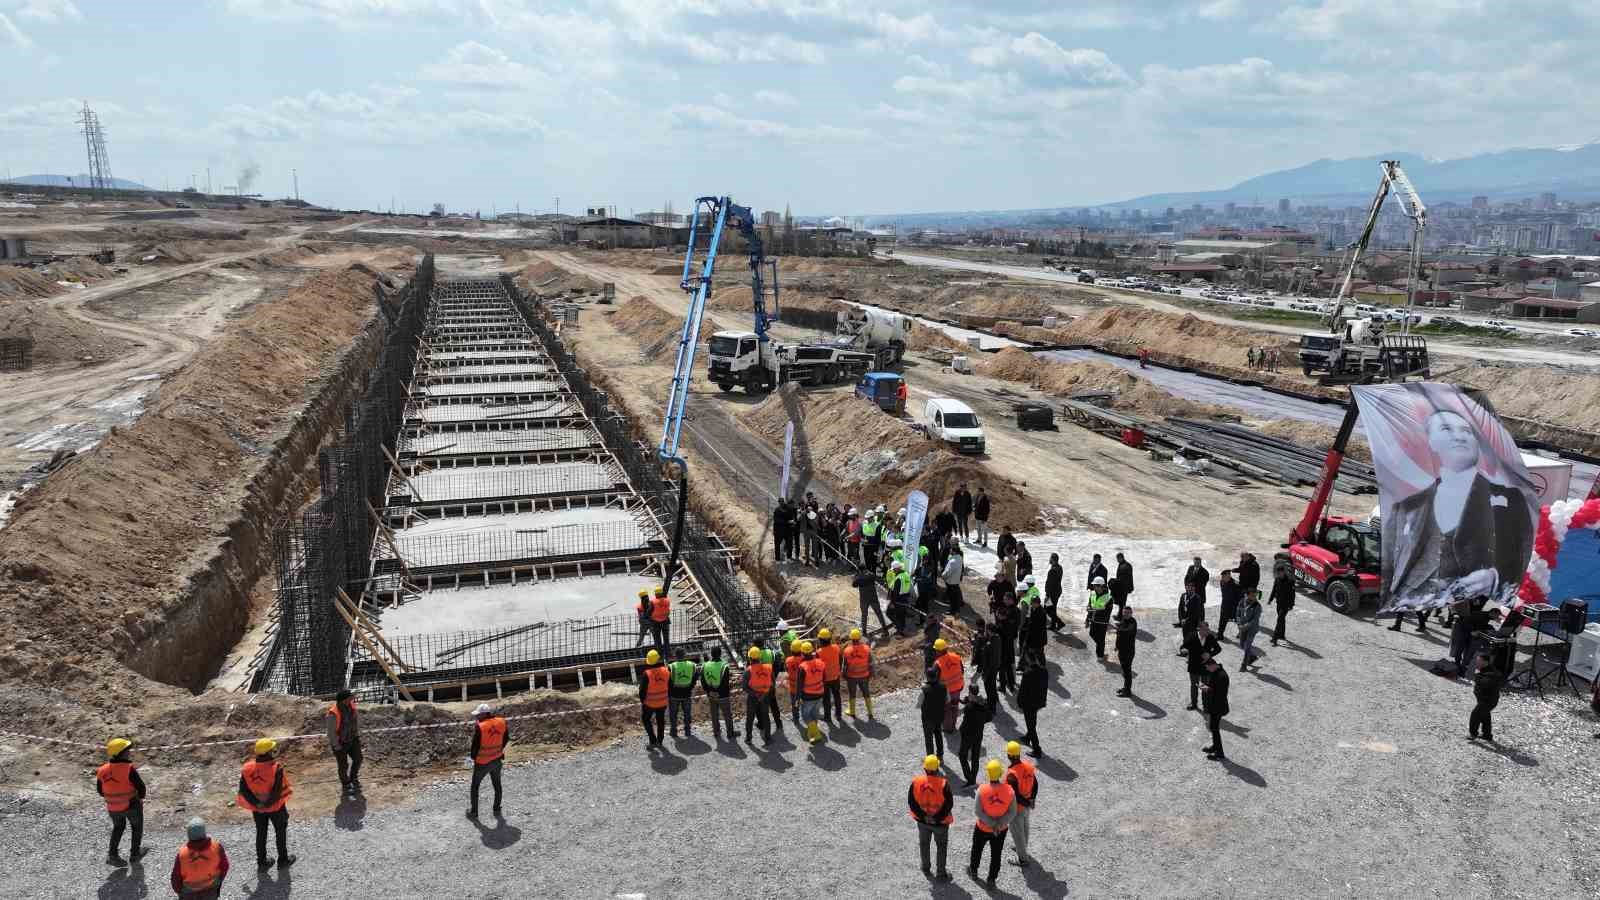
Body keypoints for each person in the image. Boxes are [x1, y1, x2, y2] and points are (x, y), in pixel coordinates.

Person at [236, 738, 295, 868]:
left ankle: (262, 862)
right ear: (269, 752)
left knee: (261, 833)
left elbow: (243, 790)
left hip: (257, 809)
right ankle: (283, 860)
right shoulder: (276, 768)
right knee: (280, 832)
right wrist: (267, 804)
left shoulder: (247, 768)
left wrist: (257, 804)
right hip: (276, 808)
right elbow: (277, 791)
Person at [97, 738, 147, 867]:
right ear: (121, 753)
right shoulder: (128, 769)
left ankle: (112, 856)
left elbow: (100, 791)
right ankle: (135, 854)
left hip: (113, 807)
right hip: (131, 805)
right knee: (136, 827)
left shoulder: (102, 770)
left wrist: (114, 796)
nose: (129, 752)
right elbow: (141, 787)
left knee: (118, 827)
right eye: (127, 750)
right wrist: (140, 799)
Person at [969, 759, 1017, 889]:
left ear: (989, 774)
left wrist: (991, 824)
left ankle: (973, 871)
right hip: (1000, 830)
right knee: (996, 854)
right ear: (1000, 773)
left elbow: (978, 811)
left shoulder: (981, 790)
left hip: (983, 828)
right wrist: (999, 825)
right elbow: (1012, 812)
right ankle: (991, 879)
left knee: (977, 849)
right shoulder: (1009, 790)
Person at [909, 755, 955, 881]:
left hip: (922, 822)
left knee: (924, 844)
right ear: (936, 769)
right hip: (940, 823)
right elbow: (949, 804)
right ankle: (941, 874)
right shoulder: (943, 784)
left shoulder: (916, 782)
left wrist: (924, 817)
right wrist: (936, 818)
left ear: (925, 769)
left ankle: (925, 867)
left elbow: (912, 803)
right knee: (941, 846)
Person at [466, 704, 509, 818]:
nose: (477, 717)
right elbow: (506, 738)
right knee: (497, 784)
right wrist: (499, 749)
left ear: (485, 714)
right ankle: (497, 807)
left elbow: (475, 746)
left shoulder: (481, 726)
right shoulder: (501, 722)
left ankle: (474, 812)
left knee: (475, 786)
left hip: (482, 762)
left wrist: (474, 758)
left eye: (478, 715)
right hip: (497, 759)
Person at [171, 817, 229, 900]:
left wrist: (179, 891)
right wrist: (218, 881)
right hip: (211, 887)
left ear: (189, 834)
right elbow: (225, 866)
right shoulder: (216, 847)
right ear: (204, 832)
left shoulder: (182, 854)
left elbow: (175, 877)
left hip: (189, 891)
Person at [1004, 741, 1038, 868]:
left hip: (1017, 808)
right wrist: (1031, 800)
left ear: (1009, 755)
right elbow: (1035, 784)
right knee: (1024, 827)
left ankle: (1022, 859)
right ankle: (1022, 847)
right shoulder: (1028, 766)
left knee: (1017, 833)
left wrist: (1027, 803)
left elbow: (1015, 795)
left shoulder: (1012, 774)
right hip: (1026, 805)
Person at [325, 688, 362, 795]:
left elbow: (354, 723)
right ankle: (346, 783)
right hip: (340, 742)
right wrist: (337, 746)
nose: (353, 698)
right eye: (350, 697)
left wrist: (356, 737)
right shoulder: (333, 713)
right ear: (343, 700)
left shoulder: (351, 706)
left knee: (358, 759)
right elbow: (331, 733)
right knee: (343, 765)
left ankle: (353, 777)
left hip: (352, 739)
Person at [956, 686, 992, 786]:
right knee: (975, 757)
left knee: (962, 755)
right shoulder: (983, 703)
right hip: (978, 734)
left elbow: (965, 722)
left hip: (968, 735)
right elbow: (989, 718)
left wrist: (961, 730)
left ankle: (970, 779)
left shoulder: (969, 708)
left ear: (971, 693)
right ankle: (973, 778)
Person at [1184, 622, 1222, 711]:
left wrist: (1210, 654)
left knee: (1204, 685)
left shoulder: (1210, 637)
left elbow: (1218, 649)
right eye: (1205, 629)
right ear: (1199, 629)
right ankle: (1193, 703)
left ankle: (1206, 705)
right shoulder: (1191, 636)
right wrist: (1186, 651)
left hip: (1205, 666)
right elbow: (1185, 646)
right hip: (1193, 664)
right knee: (1194, 685)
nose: (1207, 631)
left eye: (1207, 629)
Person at [701, 646, 736, 742]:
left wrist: (709, 692)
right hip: (723, 695)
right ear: (720, 654)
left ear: (711, 654)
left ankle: (716, 732)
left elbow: (703, 681)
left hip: (711, 695)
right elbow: (725, 683)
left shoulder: (705, 665)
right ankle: (730, 733)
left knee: (714, 714)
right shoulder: (724, 666)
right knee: (727, 714)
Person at [1200, 654, 1230, 761]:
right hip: (1216, 706)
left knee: (1215, 729)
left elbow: (1218, 694)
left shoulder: (1221, 676)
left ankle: (1219, 753)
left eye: (1208, 668)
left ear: (1212, 665)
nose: (1208, 670)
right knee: (1213, 728)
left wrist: (1205, 688)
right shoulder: (1217, 672)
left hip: (1218, 708)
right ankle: (1215, 746)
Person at [1469, 652, 1504, 743]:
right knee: (1485, 716)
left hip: (1488, 701)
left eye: (1479, 661)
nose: (1477, 663)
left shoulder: (1491, 673)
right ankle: (1487, 735)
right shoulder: (1483, 670)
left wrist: (1477, 675)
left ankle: (1473, 734)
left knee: (1475, 715)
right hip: (1484, 699)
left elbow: (1485, 683)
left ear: (1486, 662)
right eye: (1477, 661)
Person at [798, 640, 828, 744]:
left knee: (806, 715)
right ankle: (812, 731)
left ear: (802, 652)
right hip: (820, 692)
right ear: (812, 651)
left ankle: (816, 734)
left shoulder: (802, 667)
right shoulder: (821, 663)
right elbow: (824, 678)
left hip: (808, 695)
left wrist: (797, 698)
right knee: (815, 713)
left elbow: (799, 685)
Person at [1016, 655, 1047, 757]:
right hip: (1038, 702)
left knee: (1031, 725)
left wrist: (1019, 702)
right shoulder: (1044, 671)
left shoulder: (1028, 673)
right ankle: (1028, 737)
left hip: (1029, 704)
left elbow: (1023, 690)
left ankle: (1036, 749)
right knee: (1032, 721)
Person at [665, 646, 698, 738]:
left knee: (673, 714)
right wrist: (690, 687)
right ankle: (687, 731)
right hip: (687, 694)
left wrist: (670, 691)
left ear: (675, 655)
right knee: (687, 713)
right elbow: (695, 678)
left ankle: (674, 732)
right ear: (684, 655)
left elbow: (667, 682)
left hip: (674, 695)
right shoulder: (692, 665)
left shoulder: (671, 667)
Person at [639, 649, 670, 749]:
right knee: (660, 721)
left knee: (646, 719)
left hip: (650, 703)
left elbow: (642, 691)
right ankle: (660, 741)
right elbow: (669, 685)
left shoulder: (647, 674)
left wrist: (643, 701)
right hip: (663, 702)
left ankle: (653, 740)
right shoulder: (666, 670)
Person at [743, 646, 774, 745]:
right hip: (765, 696)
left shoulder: (748, 671)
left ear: (750, 658)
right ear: (759, 657)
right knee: (765, 716)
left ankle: (748, 738)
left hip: (753, 697)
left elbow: (745, 687)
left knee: (750, 718)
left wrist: (756, 694)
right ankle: (768, 738)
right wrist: (764, 694)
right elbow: (772, 683)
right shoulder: (769, 668)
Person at [843, 628, 875, 719]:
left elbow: (845, 666)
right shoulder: (866, 648)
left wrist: (844, 675)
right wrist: (871, 673)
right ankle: (870, 713)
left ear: (851, 639)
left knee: (852, 694)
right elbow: (870, 663)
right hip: (864, 675)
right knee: (866, 693)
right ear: (860, 638)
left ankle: (852, 712)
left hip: (851, 676)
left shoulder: (847, 651)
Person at [934, 638, 965, 732]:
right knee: (955, 707)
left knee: (947, 709)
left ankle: (948, 728)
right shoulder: (956, 656)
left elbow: (936, 680)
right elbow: (962, 671)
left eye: (936, 650)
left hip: (947, 692)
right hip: (958, 687)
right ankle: (953, 724)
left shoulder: (937, 663)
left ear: (938, 651)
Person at [817, 628, 845, 725]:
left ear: (820, 640)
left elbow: (817, 666)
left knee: (826, 699)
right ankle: (838, 714)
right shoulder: (836, 648)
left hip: (825, 679)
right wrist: (838, 669)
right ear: (829, 639)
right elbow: (841, 659)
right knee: (837, 695)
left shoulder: (819, 652)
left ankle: (827, 717)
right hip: (836, 676)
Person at [853, 564, 890, 636]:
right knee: (879, 613)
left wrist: (856, 575)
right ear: (865, 569)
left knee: (864, 615)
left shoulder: (858, 578)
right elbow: (874, 577)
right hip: (873, 597)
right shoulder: (871, 575)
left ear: (860, 570)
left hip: (864, 599)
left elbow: (854, 584)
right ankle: (885, 630)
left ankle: (864, 631)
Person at [921, 667, 948, 759]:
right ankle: (940, 755)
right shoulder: (943, 686)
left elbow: (919, 704)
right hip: (939, 716)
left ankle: (931, 760)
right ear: (936, 676)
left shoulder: (925, 689)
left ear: (927, 677)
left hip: (928, 718)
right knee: (938, 734)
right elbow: (947, 700)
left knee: (929, 739)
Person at [1268, 564, 1296, 646]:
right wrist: (1270, 599)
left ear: (1284, 572)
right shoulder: (1277, 580)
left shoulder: (1290, 581)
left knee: (1279, 619)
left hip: (1286, 604)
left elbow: (1292, 595)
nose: (1279, 574)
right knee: (1281, 620)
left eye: (1280, 573)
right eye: (1278, 573)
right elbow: (1274, 590)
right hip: (1279, 603)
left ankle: (1274, 638)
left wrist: (1291, 605)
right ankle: (1282, 635)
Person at [973, 621, 999, 708]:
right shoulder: (998, 639)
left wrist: (985, 673)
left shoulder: (990, 643)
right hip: (995, 667)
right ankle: (994, 700)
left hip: (990, 669)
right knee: (993, 686)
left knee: (989, 688)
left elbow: (988, 660)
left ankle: (991, 706)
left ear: (989, 630)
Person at [1114, 605, 1138, 696]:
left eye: (1128, 613)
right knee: (1125, 671)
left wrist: (1117, 629)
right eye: (1124, 612)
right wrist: (1117, 646)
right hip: (1122, 650)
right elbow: (1119, 636)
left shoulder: (1133, 622)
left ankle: (1128, 691)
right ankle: (1125, 688)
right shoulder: (1123, 621)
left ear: (1131, 613)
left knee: (1127, 672)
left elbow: (1127, 632)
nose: (1126, 614)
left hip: (1128, 651)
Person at [1086, 575, 1113, 658]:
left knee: (1101, 639)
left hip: (1102, 622)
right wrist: (1087, 619)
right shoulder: (1093, 594)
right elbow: (1090, 606)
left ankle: (1100, 655)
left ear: (1102, 586)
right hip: (1093, 620)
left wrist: (1094, 610)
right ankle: (1101, 646)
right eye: (1094, 585)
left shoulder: (1108, 598)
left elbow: (1107, 612)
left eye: (1097, 585)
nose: (1095, 587)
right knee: (1092, 634)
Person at [1237, 589, 1263, 671]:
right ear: (1247, 595)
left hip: (1252, 629)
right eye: (1252, 595)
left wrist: (1245, 626)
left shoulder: (1257, 606)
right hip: (1242, 627)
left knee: (1247, 646)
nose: (1255, 597)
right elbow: (1237, 613)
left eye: (1255, 595)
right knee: (1242, 645)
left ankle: (1244, 665)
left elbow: (1255, 619)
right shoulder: (1242, 602)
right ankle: (1252, 656)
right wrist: (1239, 624)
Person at [886, 560, 914, 635]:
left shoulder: (899, 578)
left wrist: (892, 603)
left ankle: (900, 629)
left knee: (889, 613)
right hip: (905, 598)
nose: (893, 572)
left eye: (894, 570)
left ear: (897, 569)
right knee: (902, 615)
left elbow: (895, 593)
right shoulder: (906, 574)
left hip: (898, 600)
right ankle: (902, 627)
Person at [1175, 580, 1202, 655]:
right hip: (1184, 622)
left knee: (1192, 638)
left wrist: (1186, 620)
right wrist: (1181, 619)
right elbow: (1180, 608)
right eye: (1188, 587)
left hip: (1192, 622)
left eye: (1192, 587)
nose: (1190, 588)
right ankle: (1185, 652)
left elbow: (1196, 612)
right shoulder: (1183, 595)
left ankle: (1193, 653)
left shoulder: (1197, 597)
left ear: (1194, 588)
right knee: (1185, 636)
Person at [785, 639, 806, 729]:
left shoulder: (788, 660)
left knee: (795, 703)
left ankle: (796, 718)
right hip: (805, 687)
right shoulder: (805, 659)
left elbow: (786, 670)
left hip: (793, 687)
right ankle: (807, 717)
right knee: (805, 702)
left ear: (791, 650)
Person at [1216, 568, 1241, 641]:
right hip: (1225, 605)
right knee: (1222, 620)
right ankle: (1220, 635)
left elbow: (1240, 595)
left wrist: (1237, 606)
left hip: (1234, 606)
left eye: (1225, 576)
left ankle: (1241, 633)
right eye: (1223, 577)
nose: (1223, 578)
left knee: (1238, 620)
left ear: (1229, 576)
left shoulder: (1235, 584)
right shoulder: (1222, 582)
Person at [942, 545, 965, 617]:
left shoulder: (953, 561)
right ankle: (956, 610)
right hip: (956, 581)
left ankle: (953, 611)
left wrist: (943, 575)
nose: (950, 551)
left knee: (952, 598)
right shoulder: (960, 558)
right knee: (955, 597)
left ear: (954, 552)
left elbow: (948, 572)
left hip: (951, 582)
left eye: (951, 550)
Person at [1044, 553, 1064, 631]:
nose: (1049, 560)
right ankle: (1053, 625)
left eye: (1050, 558)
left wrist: (1047, 595)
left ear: (1053, 559)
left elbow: (1050, 584)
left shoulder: (1052, 570)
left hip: (1052, 593)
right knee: (1053, 609)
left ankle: (1060, 623)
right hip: (1057, 591)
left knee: (1048, 609)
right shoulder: (1059, 567)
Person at [648, 584, 671, 651]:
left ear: (656, 594)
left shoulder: (652, 602)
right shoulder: (667, 600)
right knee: (666, 638)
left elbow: (648, 612)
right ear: (661, 593)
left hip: (655, 622)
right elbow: (668, 609)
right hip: (665, 621)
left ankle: (659, 652)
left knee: (657, 638)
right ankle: (667, 651)